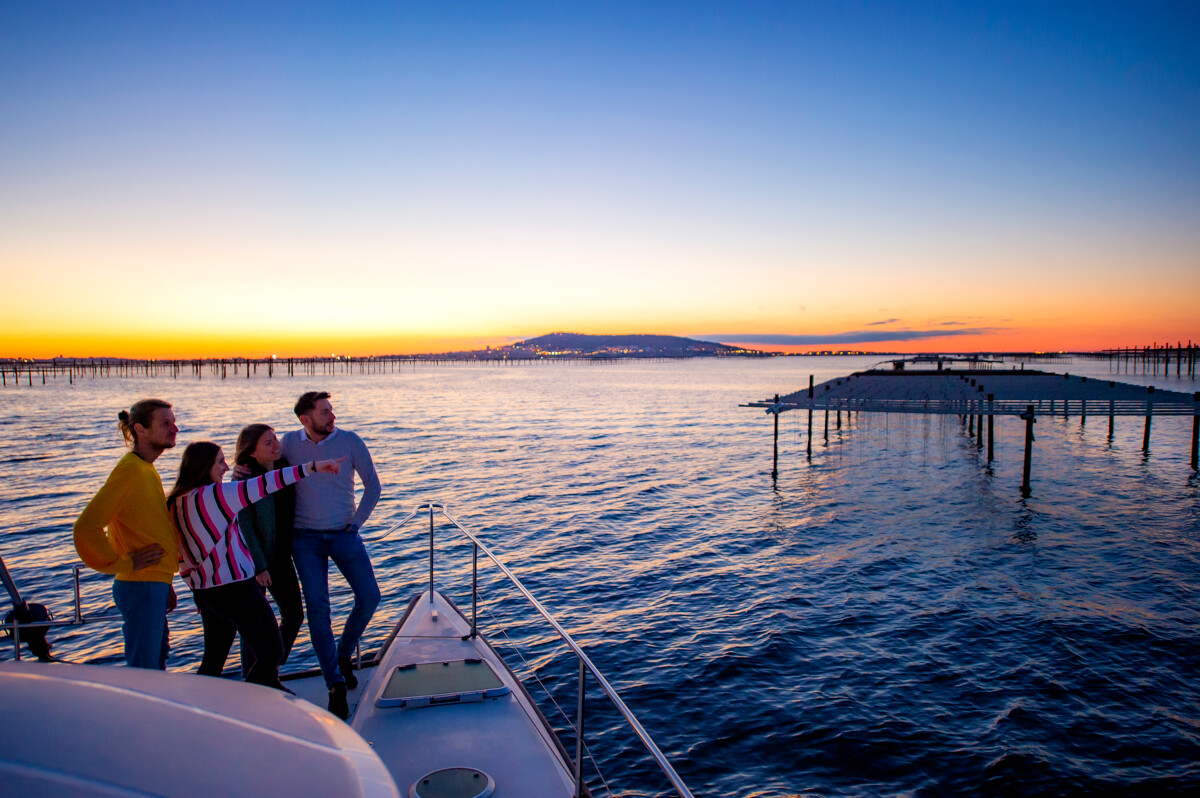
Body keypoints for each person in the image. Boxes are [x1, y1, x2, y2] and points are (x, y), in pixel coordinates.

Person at [167, 440, 343, 690]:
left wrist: (196, 590)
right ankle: (254, 698)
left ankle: (202, 708)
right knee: (272, 650)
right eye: (219, 462)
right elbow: (267, 483)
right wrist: (314, 466)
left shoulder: (176, 502)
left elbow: (180, 554)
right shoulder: (217, 495)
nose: (226, 467)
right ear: (203, 466)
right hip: (236, 588)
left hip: (206, 593)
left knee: (213, 659)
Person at [280, 391, 381, 719]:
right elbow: (271, 478)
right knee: (318, 610)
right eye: (325, 413)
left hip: (344, 534)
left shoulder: (350, 441)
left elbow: (373, 486)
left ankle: (343, 654)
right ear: (305, 420)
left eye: (332, 410)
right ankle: (334, 684)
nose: (332, 416)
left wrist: (356, 522)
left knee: (369, 597)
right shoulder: (289, 445)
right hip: (304, 540)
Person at [74, 399, 179, 669]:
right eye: (165, 423)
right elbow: (86, 527)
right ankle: (141, 713)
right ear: (140, 429)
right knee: (144, 669)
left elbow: (144, 526)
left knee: (155, 662)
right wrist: (124, 563)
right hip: (141, 585)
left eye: (174, 421)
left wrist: (165, 582)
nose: (175, 428)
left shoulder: (145, 468)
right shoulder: (130, 470)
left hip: (151, 584)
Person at [234, 424, 304, 666]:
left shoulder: (284, 468)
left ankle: (266, 671)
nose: (276, 445)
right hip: (255, 562)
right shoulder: (244, 480)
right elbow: (245, 527)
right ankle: (253, 679)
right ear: (251, 452)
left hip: (282, 557)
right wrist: (259, 566)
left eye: (275, 439)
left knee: (294, 616)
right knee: (253, 625)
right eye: (268, 443)